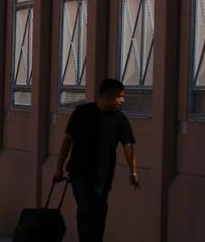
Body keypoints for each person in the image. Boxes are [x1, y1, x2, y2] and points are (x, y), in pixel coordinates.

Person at [53, 79, 140, 242]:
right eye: (120, 96)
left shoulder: (119, 120)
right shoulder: (82, 112)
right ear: (108, 96)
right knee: (85, 208)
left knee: (99, 212)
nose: (123, 100)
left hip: (103, 176)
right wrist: (59, 168)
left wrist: (133, 171)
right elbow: (67, 142)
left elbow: (128, 147)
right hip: (79, 172)